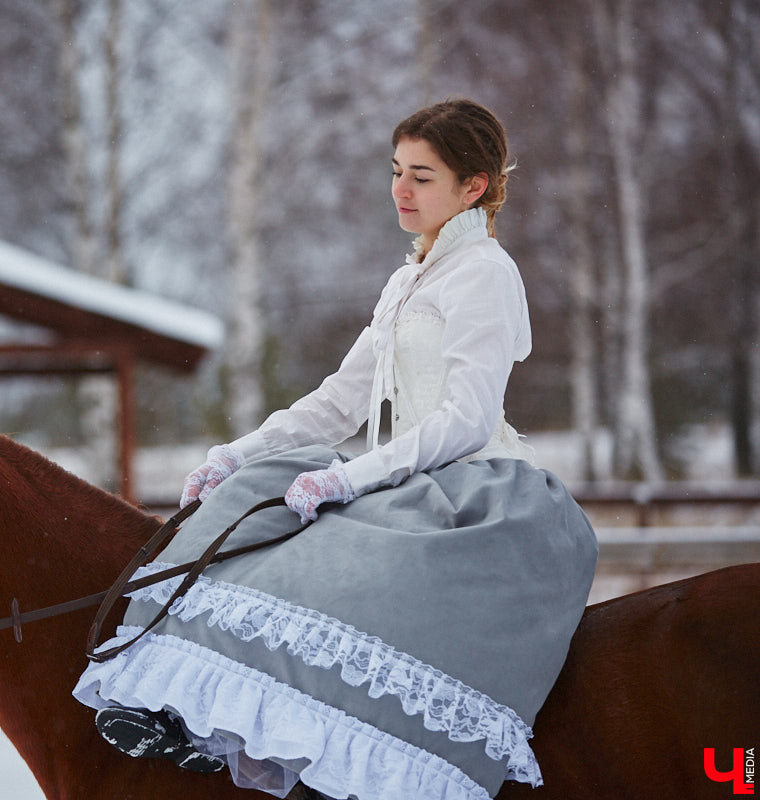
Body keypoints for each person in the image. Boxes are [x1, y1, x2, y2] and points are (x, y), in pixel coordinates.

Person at [73, 99, 598, 800]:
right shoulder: (408, 279)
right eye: (396, 171)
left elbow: (467, 419)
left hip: (474, 494)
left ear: (473, 187)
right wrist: (240, 451)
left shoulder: (486, 274)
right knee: (246, 508)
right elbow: (338, 402)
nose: (400, 191)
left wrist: (353, 480)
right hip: (401, 481)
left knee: (328, 571)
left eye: (422, 176)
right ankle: (191, 715)